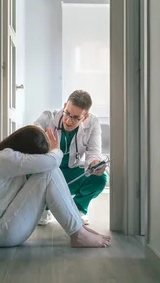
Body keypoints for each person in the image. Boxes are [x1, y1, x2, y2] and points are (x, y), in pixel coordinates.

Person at [0, 125, 111, 248]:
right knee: (49, 172)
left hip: (4, 228)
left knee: (51, 171)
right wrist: (55, 148)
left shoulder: (1, 156)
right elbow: (52, 162)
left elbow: (50, 163)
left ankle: (79, 228)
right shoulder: (4, 158)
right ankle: (78, 234)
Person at [33, 90, 107, 226]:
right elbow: (29, 138)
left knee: (100, 179)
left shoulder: (93, 123)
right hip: (47, 172)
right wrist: (45, 147)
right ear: (65, 105)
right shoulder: (48, 117)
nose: (68, 120)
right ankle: (44, 207)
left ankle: (79, 209)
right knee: (29, 170)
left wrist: (95, 164)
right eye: (67, 113)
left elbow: (94, 153)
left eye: (75, 117)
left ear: (84, 117)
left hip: (71, 173)